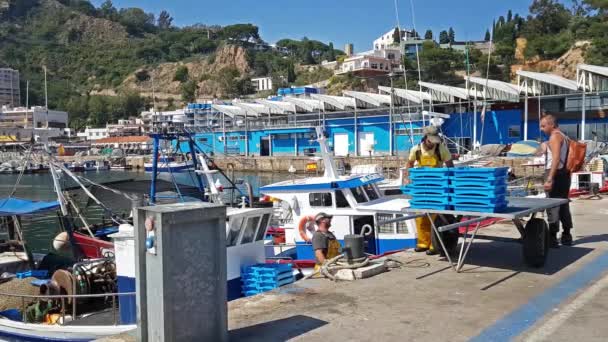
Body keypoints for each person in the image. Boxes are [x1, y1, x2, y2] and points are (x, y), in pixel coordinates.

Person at [405, 126, 454, 255]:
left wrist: (450, 182)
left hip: (437, 187)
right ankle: (422, 243)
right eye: (431, 140)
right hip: (421, 187)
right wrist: (408, 178)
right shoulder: (415, 150)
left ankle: (434, 245)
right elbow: (409, 164)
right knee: (421, 216)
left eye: (435, 140)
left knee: (435, 216)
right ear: (426, 138)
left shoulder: (441, 149)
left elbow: (450, 165)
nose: (433, 143)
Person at [540, 114, 573, 247]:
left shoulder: (554, 137)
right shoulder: (564, 137)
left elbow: (556, 159)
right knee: (564, 204)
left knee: (552, 206)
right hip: (565, 174)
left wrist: (549, 178)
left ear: (552, 125)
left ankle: (552, 238)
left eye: (543, 126)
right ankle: (566, 234)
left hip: (555, 174)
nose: (542, 129)